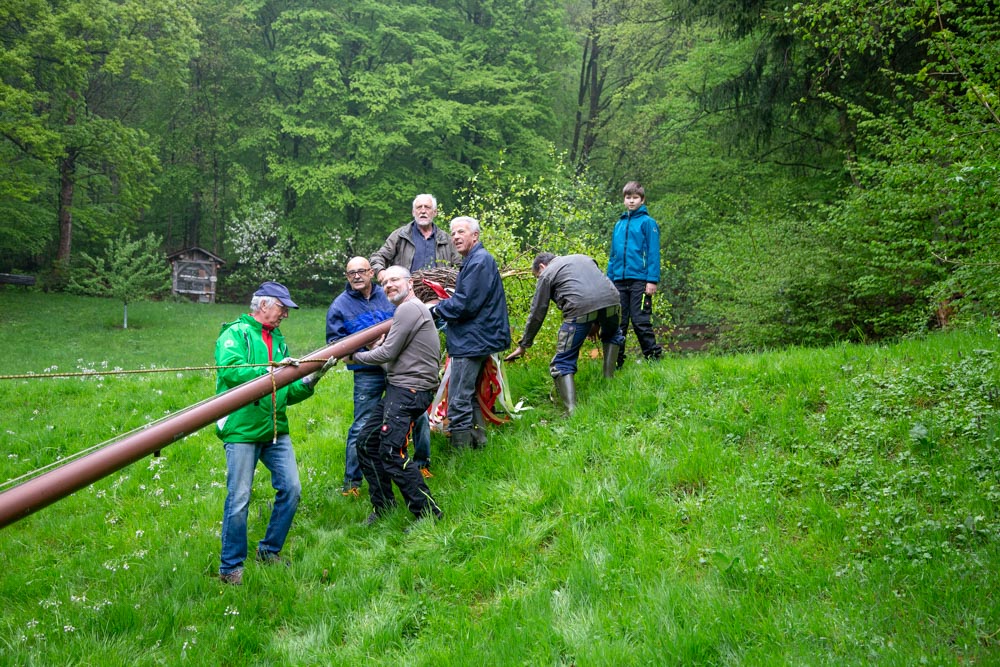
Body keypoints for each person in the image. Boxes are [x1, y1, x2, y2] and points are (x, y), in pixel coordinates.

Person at [214, 281, 334, 586]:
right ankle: (230, 568)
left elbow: (287, 391)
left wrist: (311, 379)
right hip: (242, 429)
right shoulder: (235, 334)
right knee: (239, 498)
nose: (285, 315)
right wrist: (270, 369)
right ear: (263, 305)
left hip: (276, 429)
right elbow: (231, 372)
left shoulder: (279, 342)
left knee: (292, 489)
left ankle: (269, 551)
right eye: (282, 308)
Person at [368, 193, 459, 472]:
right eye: (418, 207)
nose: (422, 211)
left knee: (431, 373)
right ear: (413, 211)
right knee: (408, 379)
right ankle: (404, 451)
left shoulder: (445, 239)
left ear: (435, 211)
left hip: (437, 309)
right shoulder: (401, 235)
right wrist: (384, 275)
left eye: (427, 207)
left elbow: (459, 267)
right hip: (407, 307)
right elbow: (377, 258)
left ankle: (426, 452)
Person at [350, 266, 444, 525]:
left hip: (408, 392)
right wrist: (377, 349)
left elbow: (387, 355)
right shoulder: (405, 311)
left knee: (392, 452)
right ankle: (384, 506)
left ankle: (427, 513)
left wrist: (355, 356)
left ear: (409, 282)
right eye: (384, 282)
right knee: (367, 443)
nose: (388, 285)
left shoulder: (409, 308)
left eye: (394, 279)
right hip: (400, 389)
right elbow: (392, 359)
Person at [504, 252, 625, 414]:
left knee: (562, 362)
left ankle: (571, 411)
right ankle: (609, 382)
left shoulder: (546, 273)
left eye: (536, 276)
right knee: (613, 335)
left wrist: (524, 344)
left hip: (578, 309)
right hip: (613, 301)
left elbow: (537, 313)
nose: (538, 279)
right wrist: (595, 322)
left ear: (541, 266)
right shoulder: (584, 258)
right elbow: (596, 289)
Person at [430, 216, 511, 448]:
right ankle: (479, 443)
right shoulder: (474, 260)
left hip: (472, 341)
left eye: (461, 232)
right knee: (470, 395)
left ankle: (461, 453)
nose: (455, 236)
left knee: (458, 399)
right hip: (476, 338)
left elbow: (465, 304)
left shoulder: (479, 261)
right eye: (453, 233)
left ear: (475, 236)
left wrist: (436, 310)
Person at [325, 257, 394, 498]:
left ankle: (420, 464)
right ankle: (352, 483)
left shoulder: (388, 293)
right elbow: (335, 347)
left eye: (361, 272)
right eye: (351, 273)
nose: (356, 276)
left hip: (396, 365)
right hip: (366, 372)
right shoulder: (339, 306)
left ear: (372, 273)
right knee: (362, 424)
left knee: (412, 417)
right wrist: (366, 349)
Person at [606, 181, 663, 366]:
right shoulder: (619, 225)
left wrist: (652, 280)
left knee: (640, 321)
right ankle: (617, 362)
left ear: (642, 199)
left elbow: (654, 253)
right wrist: (608, 280)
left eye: (635, 198)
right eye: (628, 197)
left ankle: (654, 359)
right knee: (618, 323)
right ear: (624, 200)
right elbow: (613, 255)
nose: (631, 201)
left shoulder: (648, 223)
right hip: (618, 280)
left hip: (640, 279)